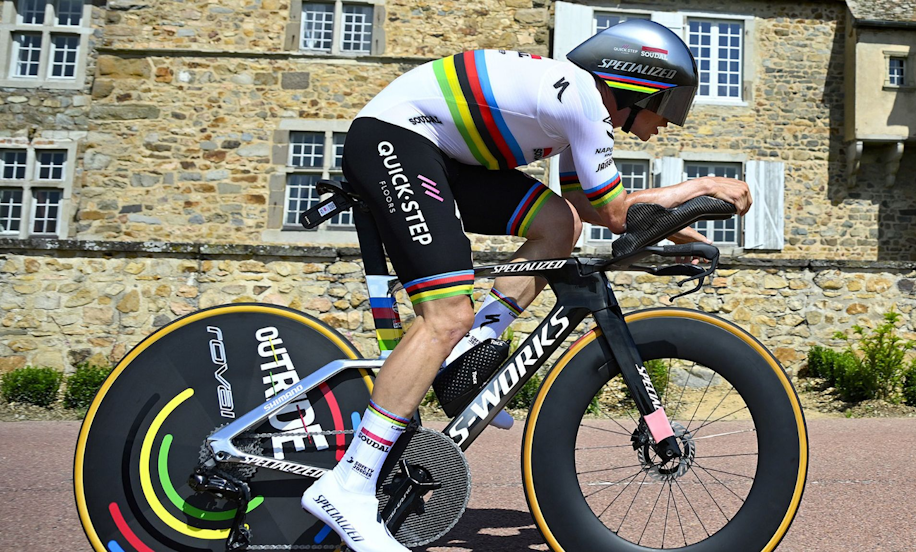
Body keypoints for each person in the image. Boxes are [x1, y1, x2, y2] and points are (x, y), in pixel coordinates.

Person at [301, 19, 752, 552]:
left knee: (558, 224)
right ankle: (350, 482)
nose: (667, 123)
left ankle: (469, 350)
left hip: (439, 153)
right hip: (396, 140)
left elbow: (585, 205)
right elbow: (615, 211)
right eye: (668, 106)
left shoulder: (575, 107)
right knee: (444, 316)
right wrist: (702, 185)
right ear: (634, 85)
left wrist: (681, 232)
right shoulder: (583, 99)